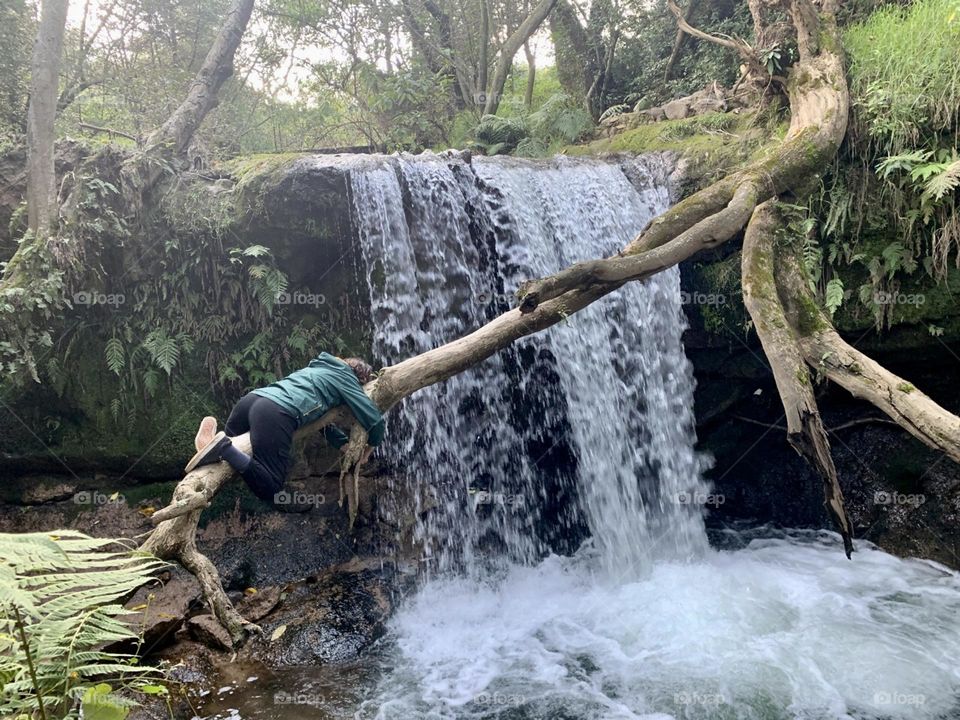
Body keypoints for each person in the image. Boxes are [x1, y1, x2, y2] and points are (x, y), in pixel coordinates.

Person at [184, 353, 384, 505]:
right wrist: (369, 449)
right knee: (271, 487)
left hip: (251, 401)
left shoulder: (318, 370)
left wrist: (342, 444)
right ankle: (222, 447)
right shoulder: (346, 378)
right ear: (360, 380)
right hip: (275, 413)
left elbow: (320, 422)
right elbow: (374, 420)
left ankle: (214, 445)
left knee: (233, 460)